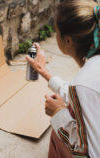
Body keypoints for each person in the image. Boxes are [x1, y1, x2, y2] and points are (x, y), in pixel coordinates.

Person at [26, 0, 100, 157]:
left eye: (56, 32)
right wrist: (43, 71)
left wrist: (58, 113)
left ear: (68, 41)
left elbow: (89, 153)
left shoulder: (83, 83)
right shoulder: (92, 72)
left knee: (59, 131)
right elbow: (86, 93)